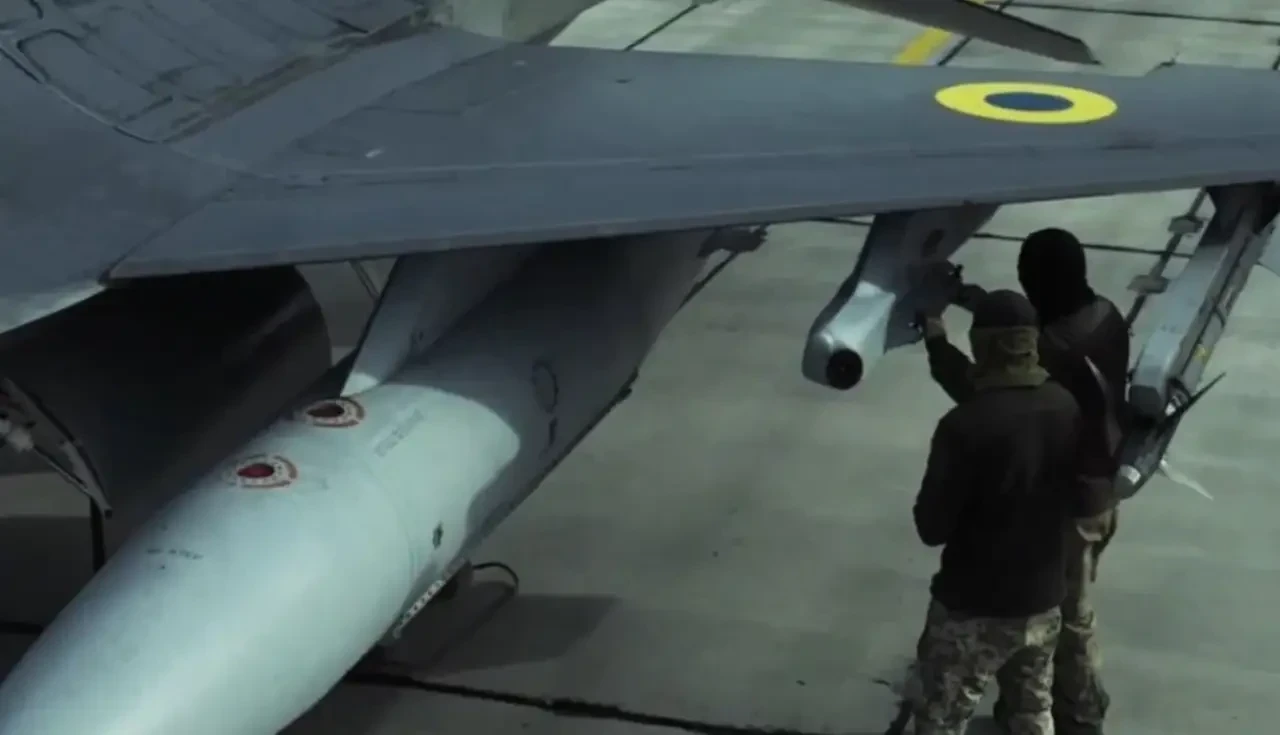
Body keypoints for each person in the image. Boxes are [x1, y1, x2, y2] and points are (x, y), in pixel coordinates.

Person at [923, 228, 1129, 735]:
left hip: (1071, 506)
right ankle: (1060, 713)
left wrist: (938, 342)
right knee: (1068, 617)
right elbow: (1026, 335)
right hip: (1101, 488)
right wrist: (974, 301)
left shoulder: (1057, 352)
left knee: (1070, 615)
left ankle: (1080, 718)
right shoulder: (1105, 314)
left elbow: (990, 391)